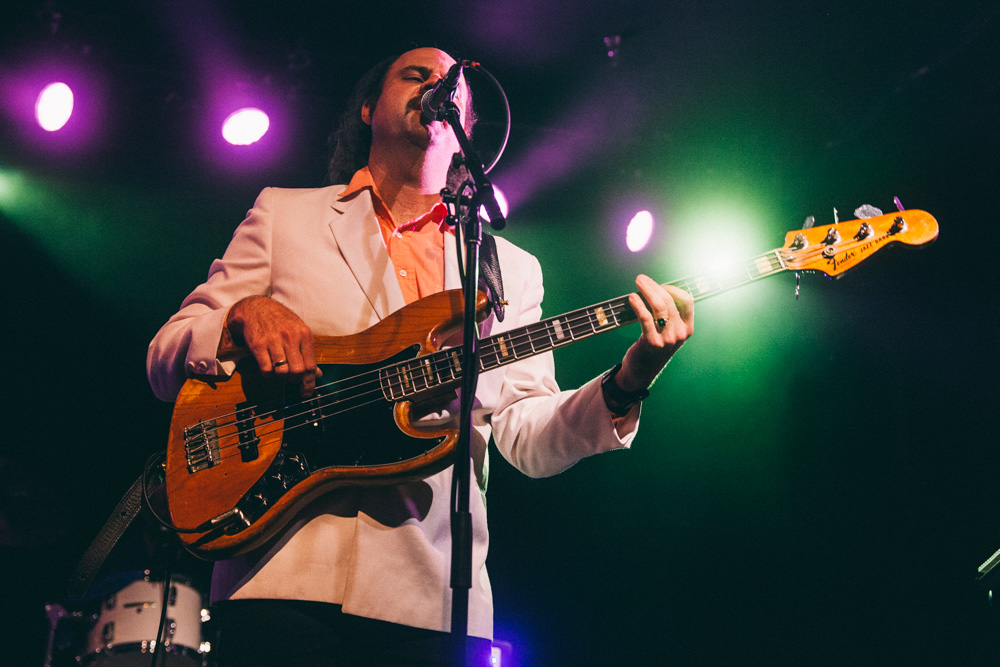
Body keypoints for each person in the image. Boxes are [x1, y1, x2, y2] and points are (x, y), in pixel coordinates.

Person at [147, 47, 693, 666]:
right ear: (366, 108)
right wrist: (243, 316)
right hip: (279, 576)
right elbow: (167, 352)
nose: (437, 86)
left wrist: (629, 381)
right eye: (415, 76)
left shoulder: (507, 267)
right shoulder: (285, 215)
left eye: (452, 86)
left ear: (466, 129)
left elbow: (527, 438)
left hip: (431, 599)